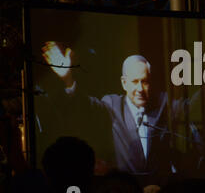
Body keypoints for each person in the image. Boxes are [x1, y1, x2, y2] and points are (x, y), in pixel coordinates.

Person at [41, 42, 184, 178]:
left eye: (144, 82)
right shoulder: (112, 105)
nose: (140, 89)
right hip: (124, 191)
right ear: (124, 83)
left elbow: (190, 105)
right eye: (134, 82)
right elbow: (85, 104)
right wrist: (68, 80)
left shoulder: (162, 103)